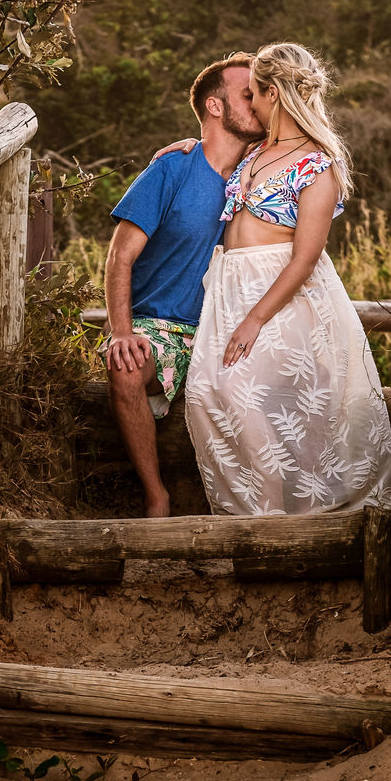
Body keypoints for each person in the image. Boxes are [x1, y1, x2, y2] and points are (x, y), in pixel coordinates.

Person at [162, 42, 391, 516]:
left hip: (281, 295)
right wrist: (185, 147)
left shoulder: (317, 163)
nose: (248, 103)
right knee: (209, 391)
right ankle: (260, 517)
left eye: (252, 93)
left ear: (273, 94)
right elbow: (213, 149)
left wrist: (255, 320)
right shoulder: (254, 152)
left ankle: (284, 519)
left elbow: (306, 258)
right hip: (228, 286)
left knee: (249, 396)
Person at [103, 55, 265, 517]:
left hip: (226, 331)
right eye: (246, 95)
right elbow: (120, 255)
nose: (257, 102)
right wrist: (120, 332)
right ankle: (157, 496)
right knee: (125, 367)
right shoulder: (171, 170)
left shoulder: (259, 171)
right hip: (160, 325)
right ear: (215, 106)